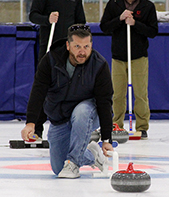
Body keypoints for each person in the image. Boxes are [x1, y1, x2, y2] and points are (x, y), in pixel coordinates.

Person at [21, 24, 113, 178]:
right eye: (77, 46)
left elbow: (105, 103)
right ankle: (91, 154)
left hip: (88, 113)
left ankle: (74, 164)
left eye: (86, 46)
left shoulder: (99, 65)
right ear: (68, 45)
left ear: (91, 45)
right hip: (60, 118)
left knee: (81, 111)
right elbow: (38, 92)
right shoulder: (50, 61)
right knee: (58, 168)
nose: (82, 52)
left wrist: (106, 138)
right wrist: (31, 123)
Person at [29, 0, 86, 139]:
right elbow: (33, 15)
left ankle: (68, 128)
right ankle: (37, 129)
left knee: (70, 88)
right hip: (49, 49)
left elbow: (81, 22)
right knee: (43, 88)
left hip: (70, 52)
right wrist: (47, 19)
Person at [100, 0, 158, 139]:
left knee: (140, 93)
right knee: (117, 94)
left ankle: (142, 126)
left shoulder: (147, 6)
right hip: (118, 56)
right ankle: (116, 124)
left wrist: (135, 24)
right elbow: (104, 27)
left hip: (139, 56)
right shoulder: (114, 4)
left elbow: (153, 31)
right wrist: (119, 19)